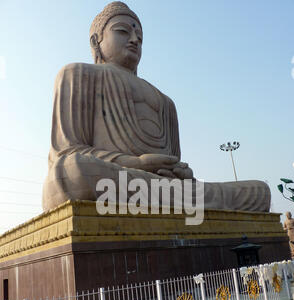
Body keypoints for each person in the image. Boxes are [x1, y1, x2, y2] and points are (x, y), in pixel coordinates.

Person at [42, 1, 271, 213]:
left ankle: (191, 201)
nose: (134, 39)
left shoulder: (166, 102)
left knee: (259, 190)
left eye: (139, 37)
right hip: (116, 178)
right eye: (123, 31)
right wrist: (137, 163)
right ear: (96, 42)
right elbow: (66, 152)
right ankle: (196, 204)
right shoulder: (78, 74)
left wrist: (182, 173)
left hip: (157, 188)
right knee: (71, 172)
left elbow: (173, 165)